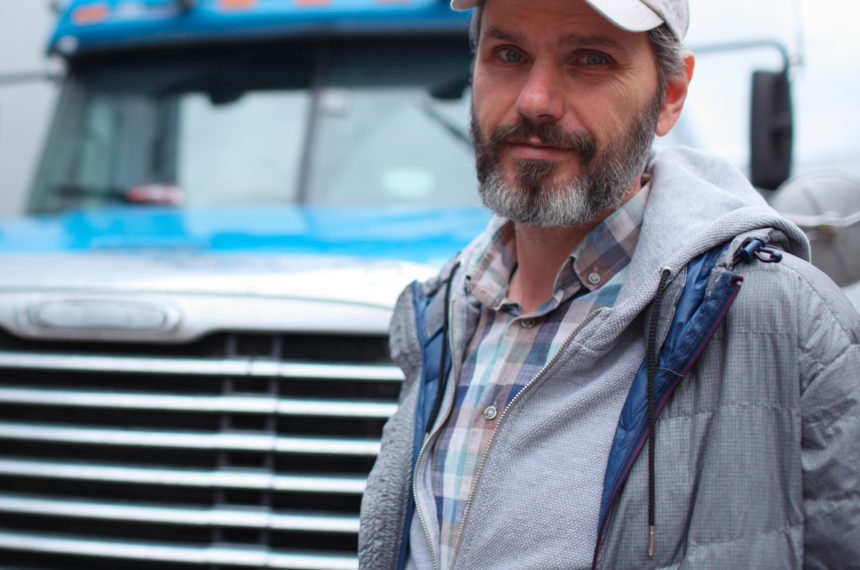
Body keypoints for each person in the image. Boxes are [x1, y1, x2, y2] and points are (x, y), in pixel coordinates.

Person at [358, 0, 860, 568]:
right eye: (509, 54)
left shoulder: (787, 322)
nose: (535, 100)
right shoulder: (440, 314)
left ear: (670, 94)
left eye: (590, 59)